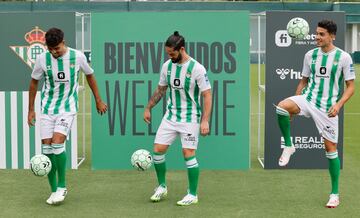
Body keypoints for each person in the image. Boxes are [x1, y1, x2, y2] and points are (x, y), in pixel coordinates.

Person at [276, 20, 355, 208]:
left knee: (331, 150)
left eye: (321, 34)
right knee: (281, 107)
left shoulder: (344, 58)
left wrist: (339, 104)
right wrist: (296, 102)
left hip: (328, 109)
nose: (316, 37)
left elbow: (351, 87)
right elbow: (303, 82)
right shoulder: (309, 55)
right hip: (308, 100)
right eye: (316, 33)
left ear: (332, 36)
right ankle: (289, 146)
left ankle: (334, 193)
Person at [27, 27, 107, 205]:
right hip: (47, 108)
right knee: (46, 149)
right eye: (51, 49)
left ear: (64, 42)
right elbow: (33, 83)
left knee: (57, 142)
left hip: (67, 108)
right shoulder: (42, 59)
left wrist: (98, 100)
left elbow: (90, 76)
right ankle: (54, 190)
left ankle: (62, 187)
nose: (54, 52)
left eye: (57, 48)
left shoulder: (78, 56)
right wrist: (31, 109)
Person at [143, 31, 212, 206]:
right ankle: (162, 186)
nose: (170, 56)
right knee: (158, 151)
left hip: (190, 118)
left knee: (188, 153)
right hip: (171, 116)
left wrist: (205, 120)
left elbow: (207, 95)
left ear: (181, 49)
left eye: (172, 53)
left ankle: (193, 194)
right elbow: (160, 90)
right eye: (167, 53)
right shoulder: (167, 66)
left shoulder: (197, 68)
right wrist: (149, 107)